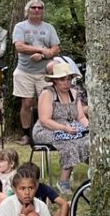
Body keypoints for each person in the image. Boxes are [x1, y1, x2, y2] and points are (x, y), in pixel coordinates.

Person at [34, 59, 91, 189]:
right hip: (46, 129)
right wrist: (64, 128)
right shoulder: (48, 93)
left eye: (68, 79)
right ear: (55, 80)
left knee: (90, 140)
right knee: (69, 144)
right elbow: (44, 120)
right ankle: (63, 181)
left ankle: (93, 174)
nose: (66, 83)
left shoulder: (74, 93)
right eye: (62, 80)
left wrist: (88, 128)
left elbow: (81, 116)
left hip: (70, 127)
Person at [11, 0, 62, 132]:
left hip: (44, 73)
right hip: (24, 71)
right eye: (34, 7)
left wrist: (44, 55)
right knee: (27, 103)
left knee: (46, 103)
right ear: (28, 10)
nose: (37, 10)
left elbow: (56, 48)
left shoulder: (49, 28)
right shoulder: (20, 27)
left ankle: (46, 130)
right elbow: (19, 47)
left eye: (40, 8)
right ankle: (26, 133)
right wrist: (40, 49)